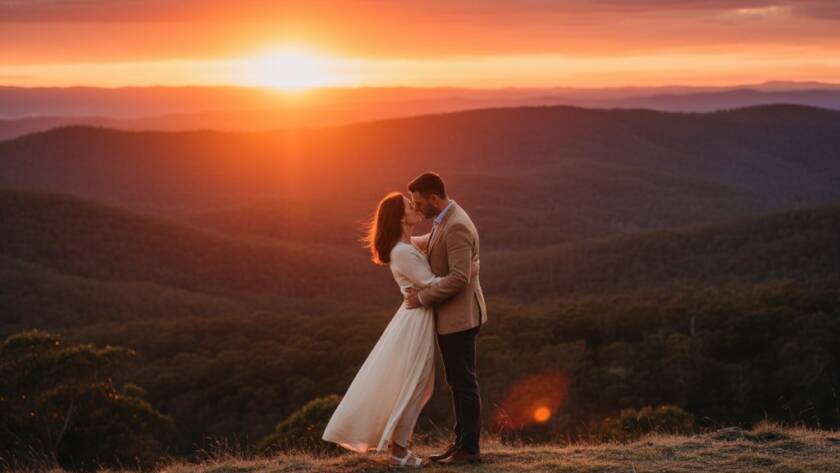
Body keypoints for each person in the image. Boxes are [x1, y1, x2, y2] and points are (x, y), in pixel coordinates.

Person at [322, 191, 480, 468]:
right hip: (415, 323)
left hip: (418, 319)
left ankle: (400, 449)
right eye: (410, 206)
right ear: (400, 217)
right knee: (414, 385)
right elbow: (431, 284)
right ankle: (398, 452)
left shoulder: (406, 245)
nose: (416, 208)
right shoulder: (403, 251)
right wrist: (471, 269)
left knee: (417, 385)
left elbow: (430, 244)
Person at [405, 172, 487, 465]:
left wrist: (422, 298)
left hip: (460, 319)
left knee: (464, 383)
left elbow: (459, 278)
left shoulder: (457, 226)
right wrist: (400, 238)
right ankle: (460, 443)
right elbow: (432, 242)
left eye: (419, 202)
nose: (417, 208)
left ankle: (470, 450)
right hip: (452, 318)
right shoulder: (444, 221)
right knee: (457, 381)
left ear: (434, 198)